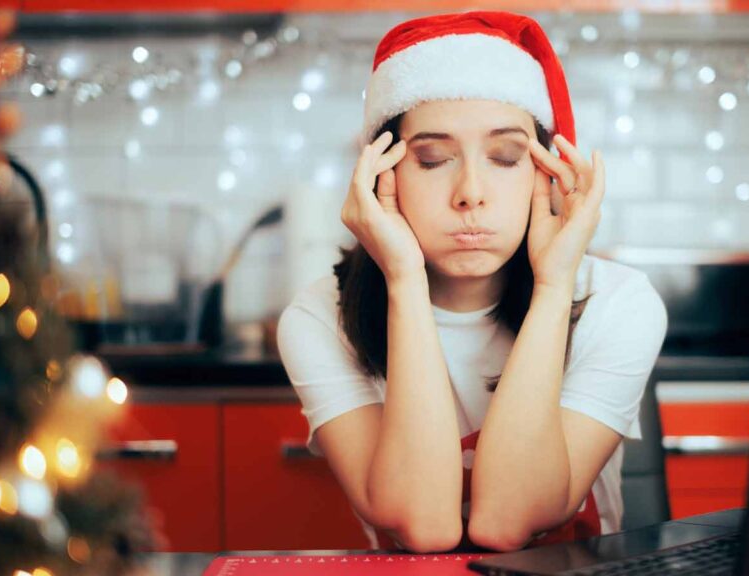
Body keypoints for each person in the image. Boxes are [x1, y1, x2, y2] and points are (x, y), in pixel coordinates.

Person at [277, 11, 667, 553]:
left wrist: (554, 288)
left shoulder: (619, 303)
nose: (470, 193)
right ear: (381, 177)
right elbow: (424, 527)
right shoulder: (318, 318)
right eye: (433, 160)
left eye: (506, 157)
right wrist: (405, 280)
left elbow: (507, 522)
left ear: (545, 173)